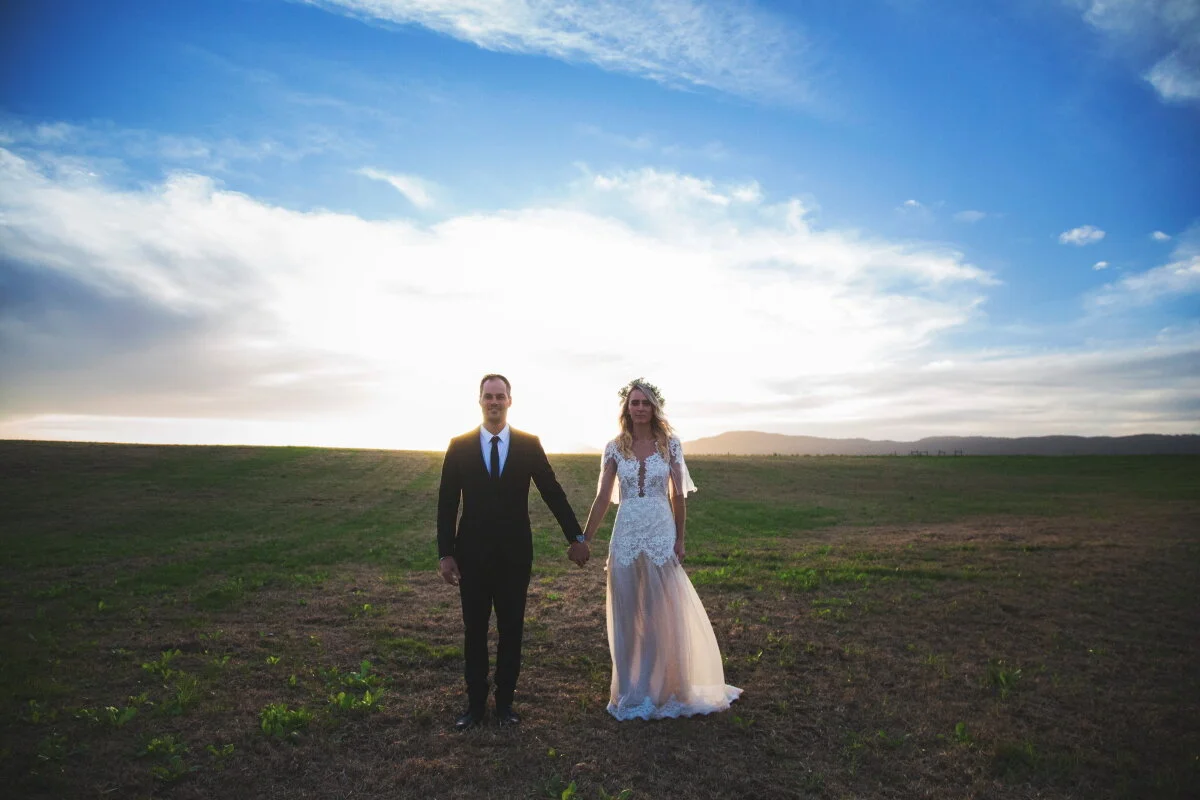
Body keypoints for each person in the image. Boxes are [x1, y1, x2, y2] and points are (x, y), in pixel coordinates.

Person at [581, 378, 742, 720]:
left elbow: (677, 496)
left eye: (645, 402)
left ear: (654, 407)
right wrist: (585, 538)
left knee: (657, 615)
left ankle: (657, 690)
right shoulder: (613, 448)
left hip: (659, 532)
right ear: (627, 408)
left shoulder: (670, 445)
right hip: (625, 534)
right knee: (627, 614)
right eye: (634, 402)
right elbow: (601, 498)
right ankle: (630, 691)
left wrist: (680, 540)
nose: (639, 408)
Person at [437, 374, 590, 730]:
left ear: (510, 401)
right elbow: (447, 504)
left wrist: (575, 537)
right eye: (488, 396)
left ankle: (505, 704)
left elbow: (553, 492)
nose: (494, 402)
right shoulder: (459, 446)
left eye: (500, 396)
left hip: (514, 557)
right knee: (474, 631)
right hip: (471, 557)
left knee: (512, 630)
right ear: (479, 401)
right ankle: (475, 706)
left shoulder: (528, 444)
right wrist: (446, 553)